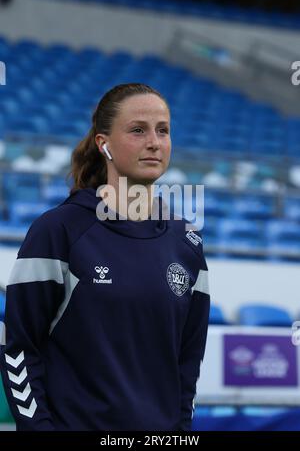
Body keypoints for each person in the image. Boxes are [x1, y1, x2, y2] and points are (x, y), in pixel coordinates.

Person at [0, 83, 210, 431]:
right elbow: (20, 349)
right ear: (104, 144)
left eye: (163, 131)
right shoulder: (59, 231)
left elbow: (187, 364)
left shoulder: (187, 243)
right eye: (138, 130)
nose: (154, 143)